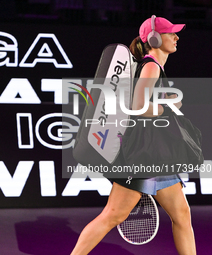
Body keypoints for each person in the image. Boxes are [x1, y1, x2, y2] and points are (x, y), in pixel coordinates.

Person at [70, 16, 196, 255]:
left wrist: (164, 102)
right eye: (171, 33)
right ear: (155, 38)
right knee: (113, 215)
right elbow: (138, 106)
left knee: (182, 215)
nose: (176, 37)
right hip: (143, 157)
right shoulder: (151, 66)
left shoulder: (152, 66)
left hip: (158, 156)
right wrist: (167, 107)